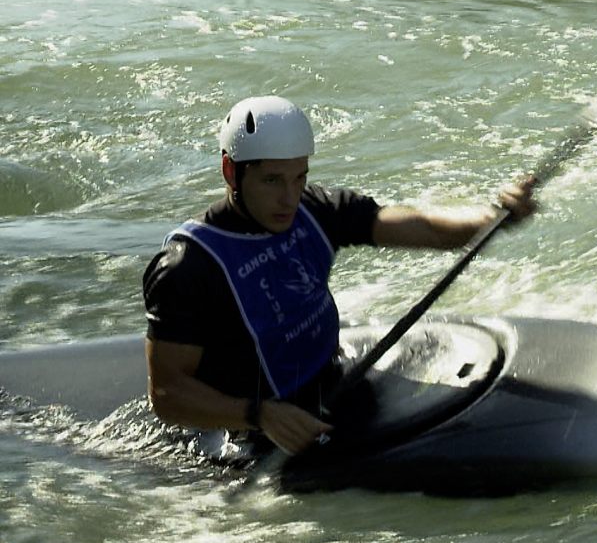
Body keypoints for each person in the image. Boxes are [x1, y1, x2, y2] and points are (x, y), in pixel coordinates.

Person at [143, 95, 536, 456]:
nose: (289, 198)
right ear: (231, 171)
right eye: (271, 181)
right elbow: (167, 394)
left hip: (330, 388)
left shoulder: (314, 210)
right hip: (250, 436)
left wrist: (491, 217)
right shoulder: (188, 267)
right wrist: (259, 415)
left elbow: (425, 227)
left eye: (299, 177)